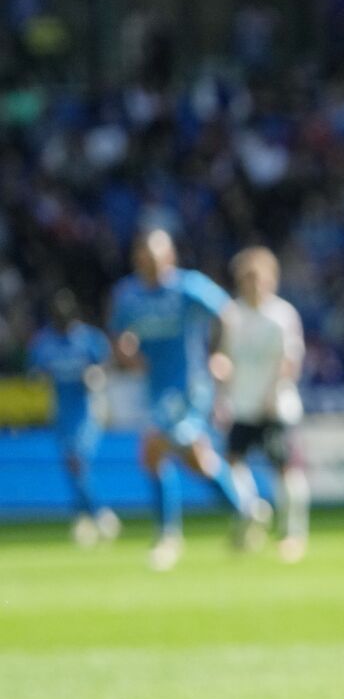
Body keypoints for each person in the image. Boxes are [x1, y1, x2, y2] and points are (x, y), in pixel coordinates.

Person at [109, 228, 265, 571]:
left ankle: (167, 537)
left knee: (153, 447)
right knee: (196, 459)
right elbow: (119, 336)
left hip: (189, 385)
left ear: (169, 257)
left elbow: (228, 313)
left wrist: (219, 354)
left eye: (154, 258)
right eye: (143, 259)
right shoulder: (128, 295)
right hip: (155, 388)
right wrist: (127, 355)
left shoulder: (187, 287)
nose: (149, 265)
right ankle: (245, 509)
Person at [210, 246, 310, 563]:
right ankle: (252, 512)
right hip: (241, 404)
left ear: (271, 279)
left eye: (258, 277)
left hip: (275, 406)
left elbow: (290, 359)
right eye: (246, 277)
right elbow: (224, 354)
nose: (252, 283)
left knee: (284, 468)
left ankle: (293, 532)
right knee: (232, 462)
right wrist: (220, 382)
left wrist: (274, 392)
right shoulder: (232, 314)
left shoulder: (281, 315)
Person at [27, 289, 119, 547]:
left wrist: (96, 375)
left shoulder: (89, 338)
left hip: (89, 409)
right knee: (73, 464)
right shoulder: (45, 341)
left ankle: (100, 513)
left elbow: (107, 365)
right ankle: (84, 516)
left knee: (77, 460)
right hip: (61, 412)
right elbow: (36, 372)